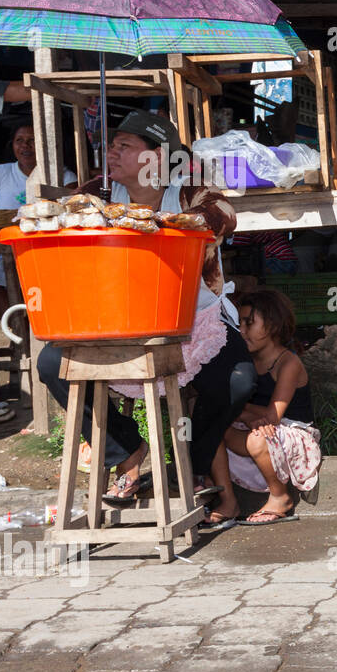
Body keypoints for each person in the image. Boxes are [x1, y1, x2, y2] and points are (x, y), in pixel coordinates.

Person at [37, 111, 256, 503]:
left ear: (157, 158)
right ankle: (125, 451)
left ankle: (191, 461)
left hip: (192, 323)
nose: (112, 153)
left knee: (238, 380)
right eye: (112, 145)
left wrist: (164, 225)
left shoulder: (189, 193)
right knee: (51, 365)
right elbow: (57, 211)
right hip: (118, 326)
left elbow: (225, 216)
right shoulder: (100, 193)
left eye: (125, 146)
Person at [205, 290, 319, 528]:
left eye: (249, 323)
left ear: (273, 325)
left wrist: (239, 410)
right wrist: (242, 414)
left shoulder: (289, 363)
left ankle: (280, 497)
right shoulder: (245, 362)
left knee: (257, 439)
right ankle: (228, 501)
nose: (242, 331)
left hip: (291, 433)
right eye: (240, 324)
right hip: (258, 429)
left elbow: (273, 416)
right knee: (211, 429)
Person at [0, 120, 76, 422]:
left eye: (32, 141)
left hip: (44, 258)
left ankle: (35, 334)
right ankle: (24, 336)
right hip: (2, 256)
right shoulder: (0, 174)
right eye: (19, 140)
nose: (25, 146)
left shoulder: (62, 177)